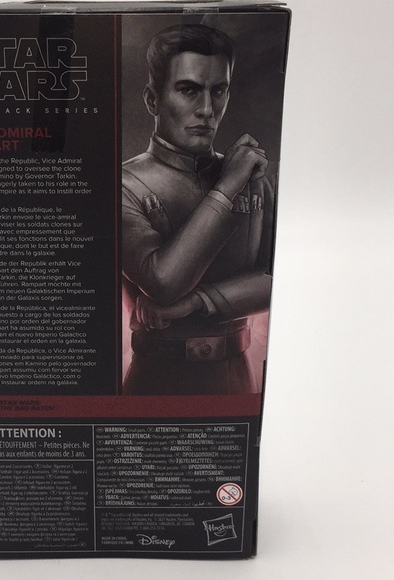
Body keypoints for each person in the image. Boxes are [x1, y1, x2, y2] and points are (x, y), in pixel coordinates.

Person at [122, 24, 274, 395]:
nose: (207, 110)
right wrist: (227, 187)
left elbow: (277, 278)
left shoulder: (252, 178)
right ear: (152, 100)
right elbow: (163, 283)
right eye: (188, 90)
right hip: (155, 381)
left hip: (237, 378)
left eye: (218, 91)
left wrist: (198, 301)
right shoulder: (122, 184)